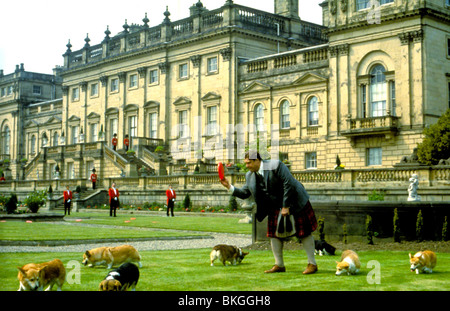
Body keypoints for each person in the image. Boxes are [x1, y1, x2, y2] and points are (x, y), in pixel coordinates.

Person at [220, 152, 318, 275]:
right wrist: (229, 186)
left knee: (304, 232)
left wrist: (285, 206)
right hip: (274, 206)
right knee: (274, 235)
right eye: (246, 163)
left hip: (295, 201)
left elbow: (289, 183)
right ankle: (279, 265)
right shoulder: (249, 175)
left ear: (257, 160)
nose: (247, 166)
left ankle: (312, 264)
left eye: (249, 163)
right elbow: (245, 193)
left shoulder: (275, 165)